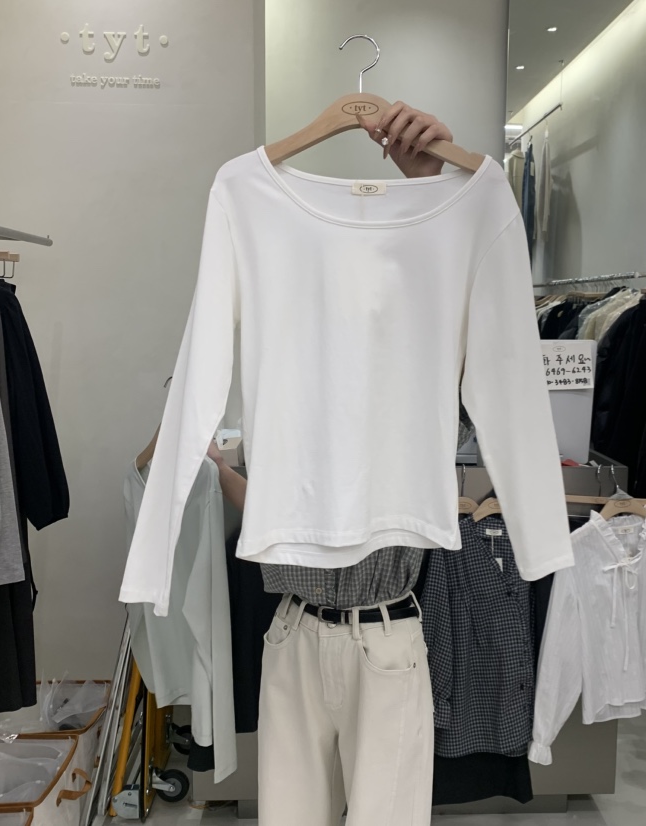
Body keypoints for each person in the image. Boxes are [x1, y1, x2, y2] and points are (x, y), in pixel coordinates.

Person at [207, 104, 455, 826]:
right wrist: (214, 468)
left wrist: (429, 190)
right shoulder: (288, 377)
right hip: (294, 626)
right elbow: (273, 505)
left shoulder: (413, 359)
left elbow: (460, 319)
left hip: (385, 631)